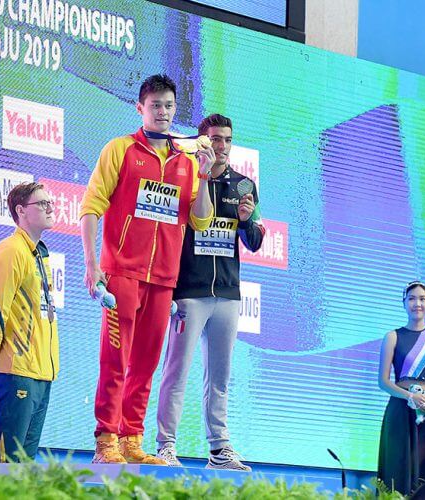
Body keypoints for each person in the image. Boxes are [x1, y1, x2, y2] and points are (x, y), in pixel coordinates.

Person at [79, 74, 215, 464]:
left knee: (146, 363)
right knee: (115, 360)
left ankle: (132, 439)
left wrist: (204, 175)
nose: (163, 112)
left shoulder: (187, 161)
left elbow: (201, 221)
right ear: (140, 108)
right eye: (155, 105)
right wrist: (92, 265)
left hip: (163, 280)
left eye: (169, 106)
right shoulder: (120, 149)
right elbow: (91, 209)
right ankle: (106, 439)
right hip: (121, 273)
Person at [156, 114, 263, 471]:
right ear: (202, 141)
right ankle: (165, 446)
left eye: (227, 140)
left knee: (220, 377)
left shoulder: (244, 186)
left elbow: (255, 241)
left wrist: (247, 219)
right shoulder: (184, 178)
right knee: (176, 372)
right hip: (189, 292)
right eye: (215, 139)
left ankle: (219, 449)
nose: (221, 146)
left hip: (228, 296)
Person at [0, 182, 59, 462]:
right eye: (42, 204)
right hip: (17, 371)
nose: (50, 208)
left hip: (41, 374)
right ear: (21, 211)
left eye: (50, 202)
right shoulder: (11, 249)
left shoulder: (38, 254)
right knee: (4, 462)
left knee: (23, 466)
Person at [378, 281, 425, 494]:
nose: (417, 303)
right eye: (411, 299)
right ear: (403, 303)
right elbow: (383, 382)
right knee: (398, 469)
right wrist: (410, 397)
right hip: (400, 411)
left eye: (422, 299)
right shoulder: (392, 336)